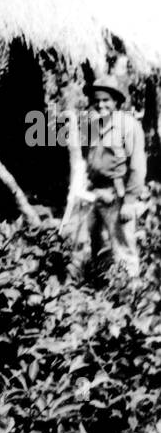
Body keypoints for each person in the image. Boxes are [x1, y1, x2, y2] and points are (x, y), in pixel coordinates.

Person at [69, 74, 147, 281]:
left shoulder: (129, 126)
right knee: (90, 244)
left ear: (116, 102)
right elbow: (87, 156)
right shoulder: (91, 124)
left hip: (117, 195)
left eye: (106, 100)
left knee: (123, 248)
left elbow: (138, 167)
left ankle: (131, 295)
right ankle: (96, 291)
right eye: (97, 100)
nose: (100, 104)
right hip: (94, 192)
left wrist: (129, 202)